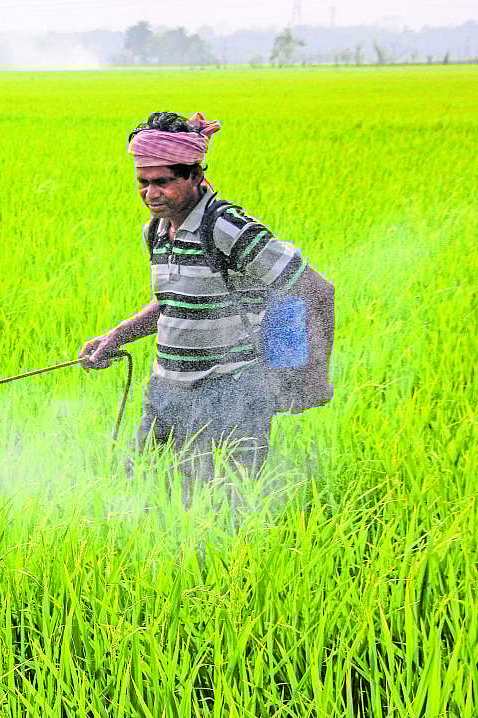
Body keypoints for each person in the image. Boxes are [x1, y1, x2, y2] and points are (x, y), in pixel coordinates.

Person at [78, 111, 334, 507]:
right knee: (148, 491)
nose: (150, 193)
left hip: (233, 389)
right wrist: (116, 337)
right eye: (143, 182)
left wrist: (312, 375)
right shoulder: (156, 230)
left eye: (163, 182)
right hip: (167, 388)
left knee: (230, 505)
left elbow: (316, 290)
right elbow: (174, 301)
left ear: (195, 175)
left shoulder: (227, 228)